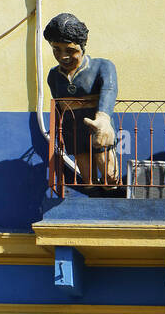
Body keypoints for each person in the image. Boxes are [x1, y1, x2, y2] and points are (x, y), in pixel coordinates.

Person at [43, 11, 120, 187]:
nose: (63, 56)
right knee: (87, 180)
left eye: (70, 50)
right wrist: (58, 133)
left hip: (98, 128)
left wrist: (103, 119)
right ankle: (93, 200)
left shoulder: (103, 66)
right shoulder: (54, 75)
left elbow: (109, 90)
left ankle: (112, 198)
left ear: (82, 46)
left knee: (110, 175)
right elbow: (58, 105)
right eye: (56, 50)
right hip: (73, 131)